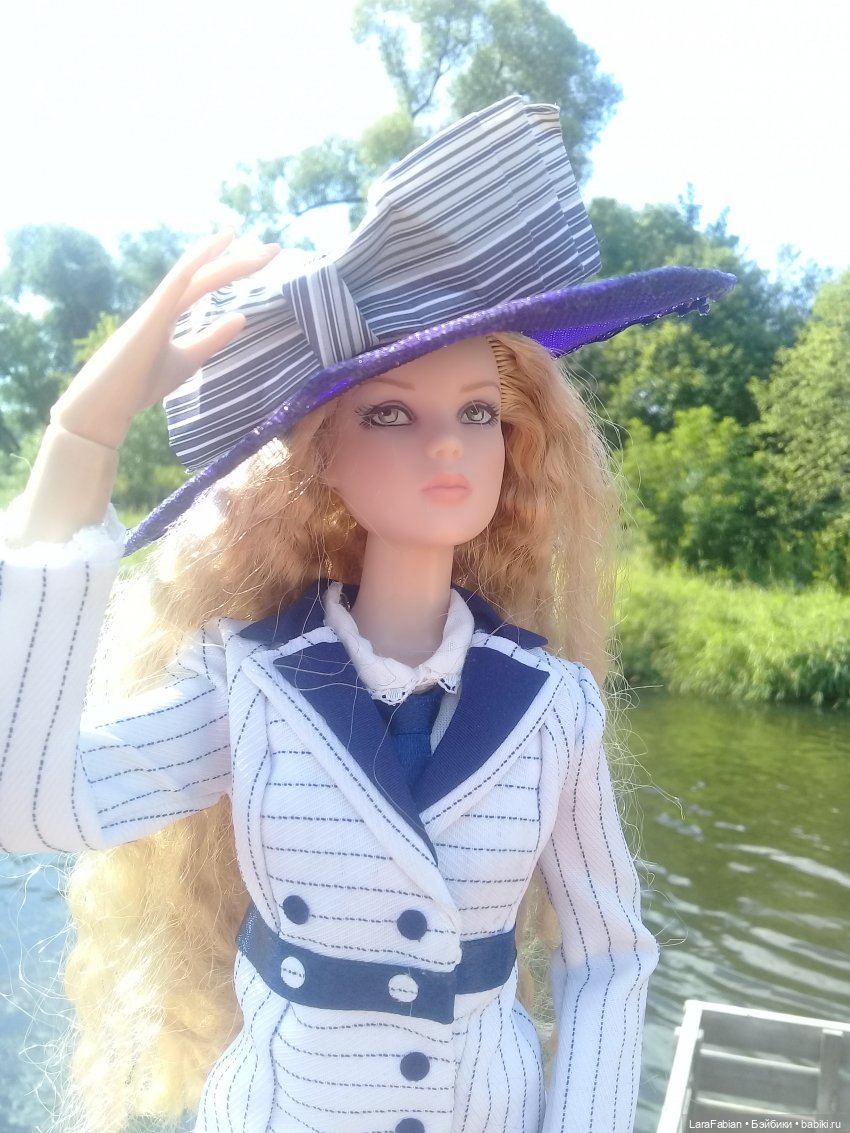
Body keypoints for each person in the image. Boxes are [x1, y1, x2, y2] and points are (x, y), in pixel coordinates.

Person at [0, 97, 734, 1133]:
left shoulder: (553, 706)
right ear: (323, 458)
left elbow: (607, 955)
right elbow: (32, 809)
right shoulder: (249, 681)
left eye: (477, 411)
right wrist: (82, 435)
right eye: (390, 411)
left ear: (516, 440)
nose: (447, 444)